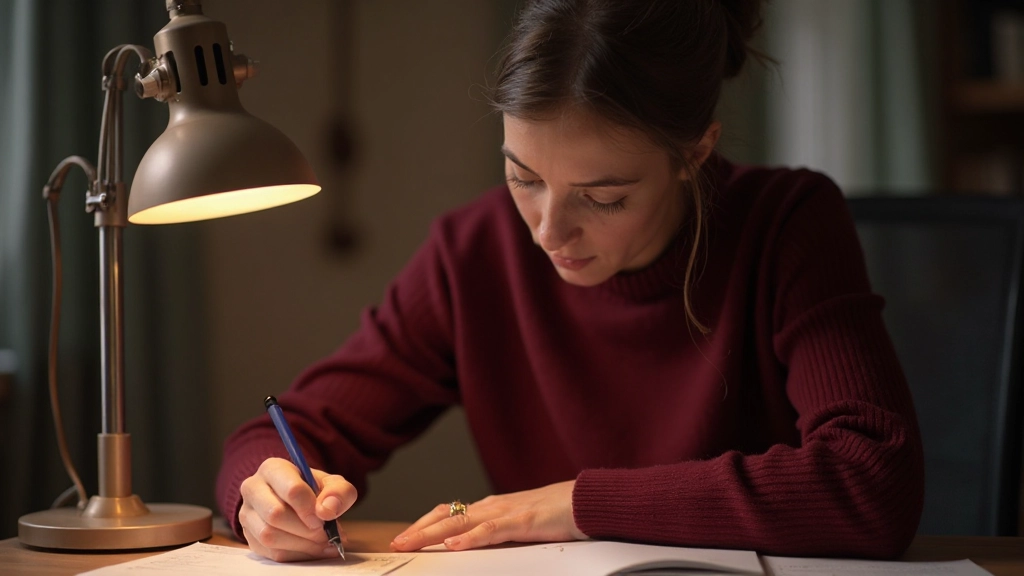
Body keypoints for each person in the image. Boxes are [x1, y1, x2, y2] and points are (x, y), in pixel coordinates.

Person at [216, 0, 924, 563]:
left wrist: (574, 504)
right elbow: (286, 432)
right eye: (523, 178)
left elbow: (871, 479)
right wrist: (267, 496)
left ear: (695, 153)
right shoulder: (476, 250)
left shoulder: (787, 223)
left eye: (604, 197)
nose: (548, 232)